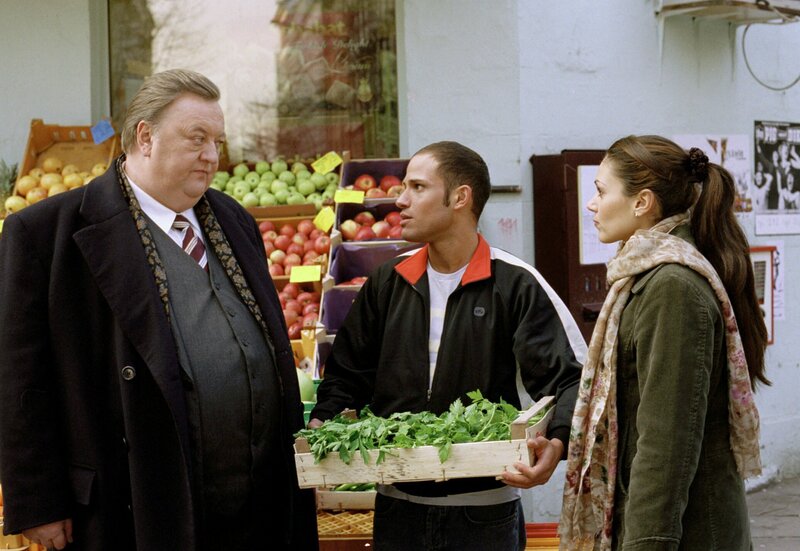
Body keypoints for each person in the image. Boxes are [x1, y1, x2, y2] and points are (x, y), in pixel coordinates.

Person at [0, 69, 317, 550]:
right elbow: (20, 380)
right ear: (145, 137)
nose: (212, 156)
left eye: (217, 141)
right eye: (197, 139)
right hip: (138, 504)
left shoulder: (233, 219)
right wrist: (38, 500)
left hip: (259, 507)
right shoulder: (46, 234)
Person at [309, 141, 587, 550]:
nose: (400, 200)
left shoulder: (515, 284)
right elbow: (347, 374)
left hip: (484, 515)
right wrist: (323, 423)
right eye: (403, 187)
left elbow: (571, 379)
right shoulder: (387, 283)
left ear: (460, 197)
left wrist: (557, 443)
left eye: (418, 188)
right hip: (396, 510)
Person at [559, 135, 769, 551]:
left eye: (601, 191)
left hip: (687, 535)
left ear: (643, 203)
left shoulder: (672, 287)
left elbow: (665, 448)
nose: (592, 204)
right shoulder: (645, 275)